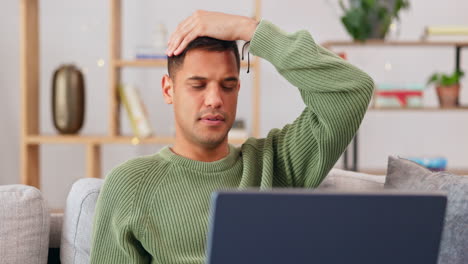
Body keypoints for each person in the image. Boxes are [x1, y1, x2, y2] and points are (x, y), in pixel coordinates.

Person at [90, 10, 374, 264]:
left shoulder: (275, 164)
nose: (214, 99)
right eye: (198, 85)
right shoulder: (130, 185)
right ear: (168, 90)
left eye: (227, 85)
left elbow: (352, 90)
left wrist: (249, 30)